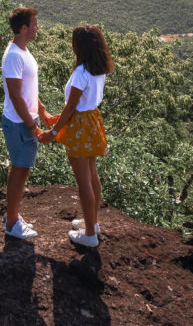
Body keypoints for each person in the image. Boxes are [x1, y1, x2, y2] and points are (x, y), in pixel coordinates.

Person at [43, 24, 114, 248]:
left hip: (80, 125)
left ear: (79, 46)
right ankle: (92, 222)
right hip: (92, 120)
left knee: (83, 179)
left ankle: (90, 234)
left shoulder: (81, 72)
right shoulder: (99, 69)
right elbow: (81, 104)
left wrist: (53, 132)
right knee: (92, 174)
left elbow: (72, 106)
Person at [0, 6, 54, 240]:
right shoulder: (14, 55)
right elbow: (15, 95)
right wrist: (33, 127)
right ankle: (12, 223)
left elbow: (28, 89)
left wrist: (42, 112)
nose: (37, 28)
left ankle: (10, 216)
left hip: (26, 119)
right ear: (23, 28)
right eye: (34, 24)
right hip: (19, 122)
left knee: (19, 170)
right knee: (20, 172)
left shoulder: (23, 52)